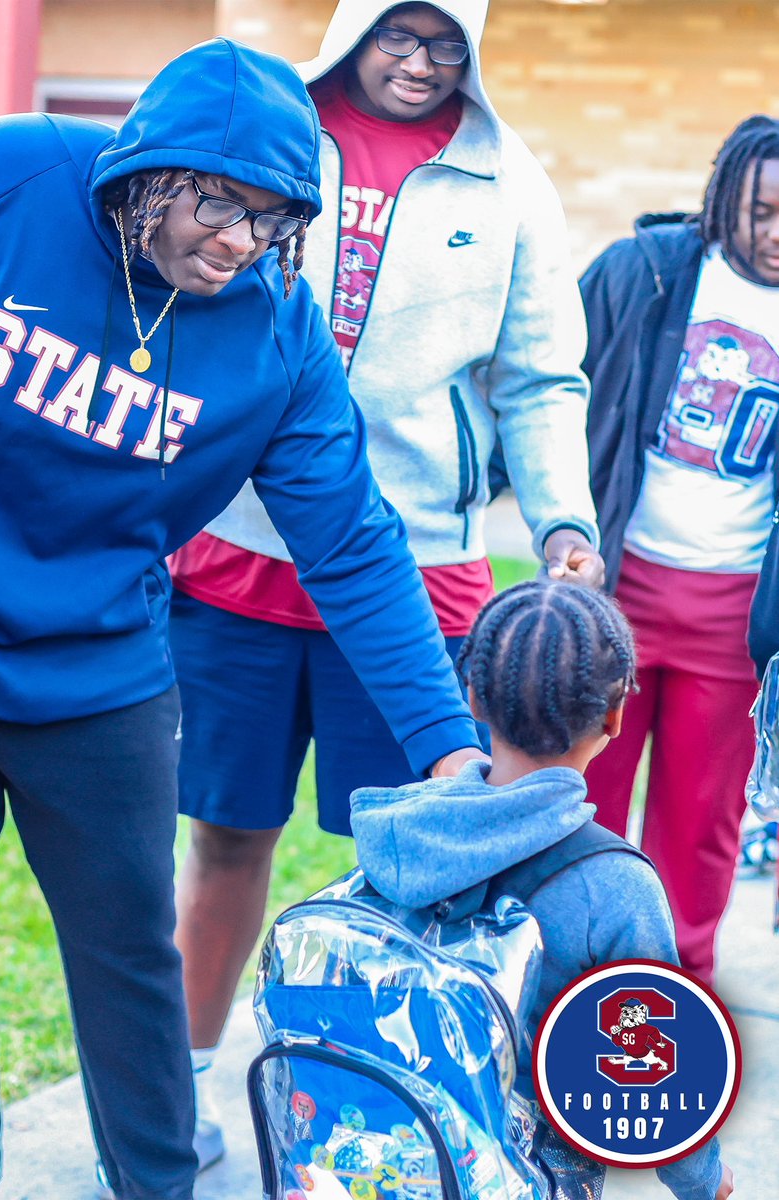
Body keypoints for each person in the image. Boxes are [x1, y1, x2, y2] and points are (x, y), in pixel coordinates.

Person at [0, 38, 488, 1200]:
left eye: (274, 220)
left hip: (97, 685)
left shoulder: (277, 333)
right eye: (218, 204)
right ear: (146, 173)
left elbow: (350, 542)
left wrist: (445, 742)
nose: (240, 242)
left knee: (130, 963)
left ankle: (155, 1185)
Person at [169, 0, 603, 1158]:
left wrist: (561, 517)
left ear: (474, 49)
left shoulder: (508, 182)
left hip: (417, 568)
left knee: (424, 852)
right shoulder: (273, 129)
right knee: (223, 835)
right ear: (354, 28)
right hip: (241, 552)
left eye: (443, 42)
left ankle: (415, 1099)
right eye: (396, 35)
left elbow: (540, 376)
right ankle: (181, 1080)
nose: (417, 63)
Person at [350, 580, 735, 1200]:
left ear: (471, 695)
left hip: (382, 1154)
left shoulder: (399, 834)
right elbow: (659, 1072)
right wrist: (703, 1181)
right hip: (524, 1175)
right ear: (614, 717)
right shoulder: (615, 885)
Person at [579, 115, 779, 986]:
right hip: (612, 591)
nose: (778, 234)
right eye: (763, 211)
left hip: (737, 612)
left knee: (699, 825)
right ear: (721, 197)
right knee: (581, 804)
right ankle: (567, 984)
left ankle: (673, 994)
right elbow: (543, 386)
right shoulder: (645, 273)